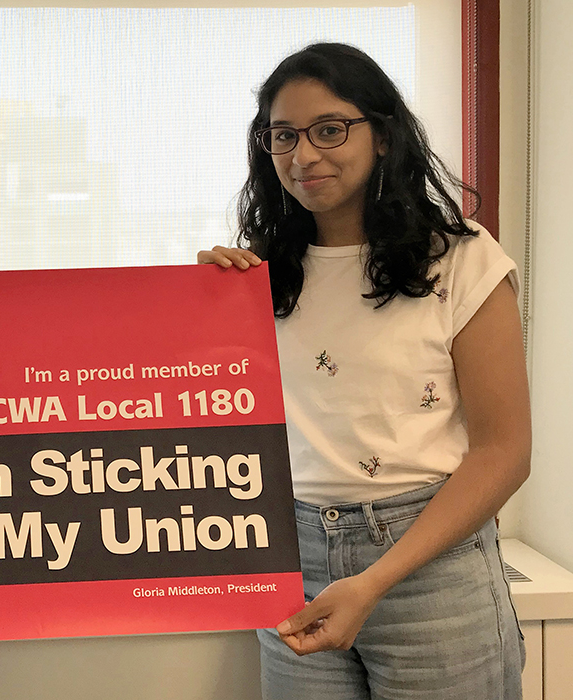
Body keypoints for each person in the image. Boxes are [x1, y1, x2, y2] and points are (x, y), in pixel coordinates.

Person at [199, 43, 529, 699]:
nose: (303, 155)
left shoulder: (461, 260)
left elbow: (504, 453)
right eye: (283, 135)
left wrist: (374, 580)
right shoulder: (258, 275)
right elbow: (207, 415)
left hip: (431, 568)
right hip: (293, 560)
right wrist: (201, 302)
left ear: (382, 135)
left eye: (329, 129)